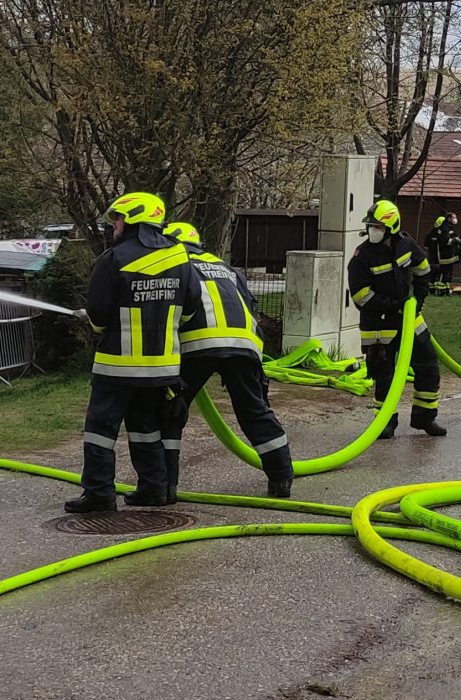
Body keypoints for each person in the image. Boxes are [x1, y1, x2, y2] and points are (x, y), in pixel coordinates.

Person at [69, 190, 190, 513]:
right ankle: (154, 488)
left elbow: (98, 316)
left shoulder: (113, 259)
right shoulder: (180, 257)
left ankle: (99, 493)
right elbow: (190, 309)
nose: (115, 225)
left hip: (117, 365)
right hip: (162, 367)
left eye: (118, 218)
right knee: (145, 426)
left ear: (134, 218)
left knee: (100, 430)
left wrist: (94, 324)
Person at [163, 222, 295, 500]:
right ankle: (281, 477)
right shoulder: (226, 267)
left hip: (197, 344)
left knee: (171, 410)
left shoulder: (173, 265)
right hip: (244, 344)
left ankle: (165, 486)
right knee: (254, 410)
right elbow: (250, 305)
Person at [346, 198, 446, 435]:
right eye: (371, 226)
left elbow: (423, 269)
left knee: (428, 366)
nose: (372, 231)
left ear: (391, 227)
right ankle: (385, 423)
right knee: (385, 376)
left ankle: (424, 418)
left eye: (378, 227)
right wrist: (394, 306)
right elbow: (361, 296)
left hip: (410, 319)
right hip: (379, 324)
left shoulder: (406, 245)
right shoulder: (362, 257)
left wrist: (418, 300)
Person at [427, 211, 461, 293]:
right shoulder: (444, 228)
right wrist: (455, 240)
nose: (455, 219)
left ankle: (446, 290)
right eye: (453, 217)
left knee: (448, 274)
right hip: (445, 255)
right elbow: (444, 241)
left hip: (451, 255)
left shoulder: (450, 227)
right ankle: (441, 290)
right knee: (443, 273)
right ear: (449, 218)